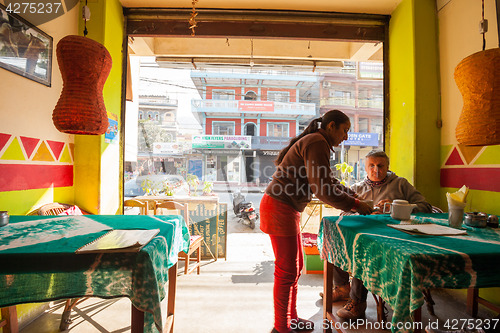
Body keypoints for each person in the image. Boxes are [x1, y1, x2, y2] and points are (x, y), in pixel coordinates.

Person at [260, 109, 373, 333]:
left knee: (295, 267)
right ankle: (281, 328)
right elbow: (322, 190)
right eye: (344, 130)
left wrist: (352, 195)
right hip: (279, 207)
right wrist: (357, 205)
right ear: (331, 126)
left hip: (285, 208)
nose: (346, 136)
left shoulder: (317, 142)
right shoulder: (316, 142)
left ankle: (290, 319)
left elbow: (327, 179)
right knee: (286, 272)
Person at [327, 149, 432, 320]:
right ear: (365, 168)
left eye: (381, 166)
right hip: (365, 236)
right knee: (337, 238)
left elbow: (425, 207)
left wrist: (397, 206)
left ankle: (357, 302)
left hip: (395, 238)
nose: (376, 170)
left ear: (388, 166)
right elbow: (343, 215)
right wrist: (362, 213)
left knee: (367, 251)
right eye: (372, 166)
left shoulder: (400, 184)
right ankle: (341, 287)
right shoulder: (356, 189)